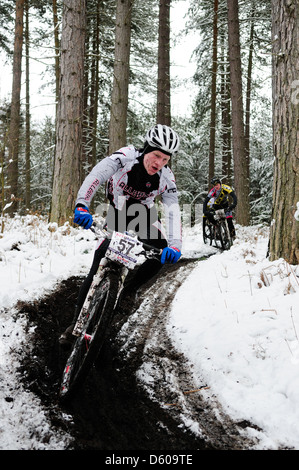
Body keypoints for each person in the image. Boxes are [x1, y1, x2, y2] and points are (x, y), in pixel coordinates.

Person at [59, 124, 182, 348]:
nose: (159, 163)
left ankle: (127, 292)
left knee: (159, 254)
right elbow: (97, 175)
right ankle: (75, 323)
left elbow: (172, 208)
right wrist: (82, 205)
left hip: (143, 215)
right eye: (156, 156)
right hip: (118, 210)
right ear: (147, 149)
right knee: (100, 260)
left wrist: (175, 245)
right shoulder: (126, 157)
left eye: (165, 159)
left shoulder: (166, 176)